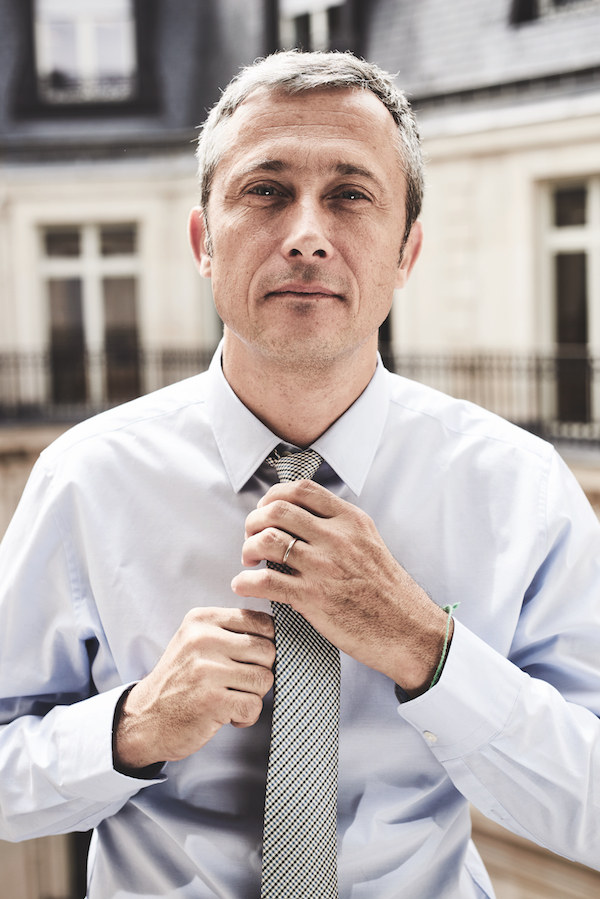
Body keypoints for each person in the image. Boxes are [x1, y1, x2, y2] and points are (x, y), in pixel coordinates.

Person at [1, 49, 600, 899]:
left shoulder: (520, 489)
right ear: (205, 241)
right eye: (266, 190)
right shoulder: (85, 479)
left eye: (351, 195)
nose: (308, 234)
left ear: (408, 250)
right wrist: (133, 726)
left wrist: (424, 647)